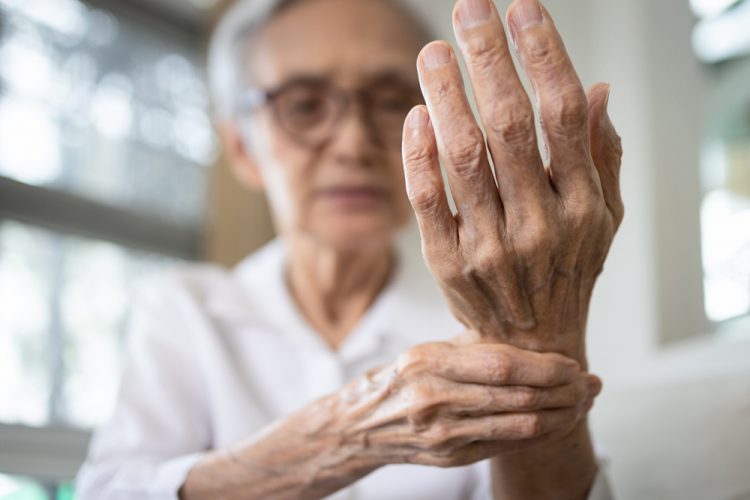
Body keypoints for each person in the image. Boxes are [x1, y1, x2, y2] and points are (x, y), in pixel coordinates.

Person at [76, 0, 623, 498]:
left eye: (390, 103)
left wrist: (536, 336)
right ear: (243, 148)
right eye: (305, 104)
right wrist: (351, 435)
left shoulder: (482, 313)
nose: (354, 142)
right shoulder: (185, 311)